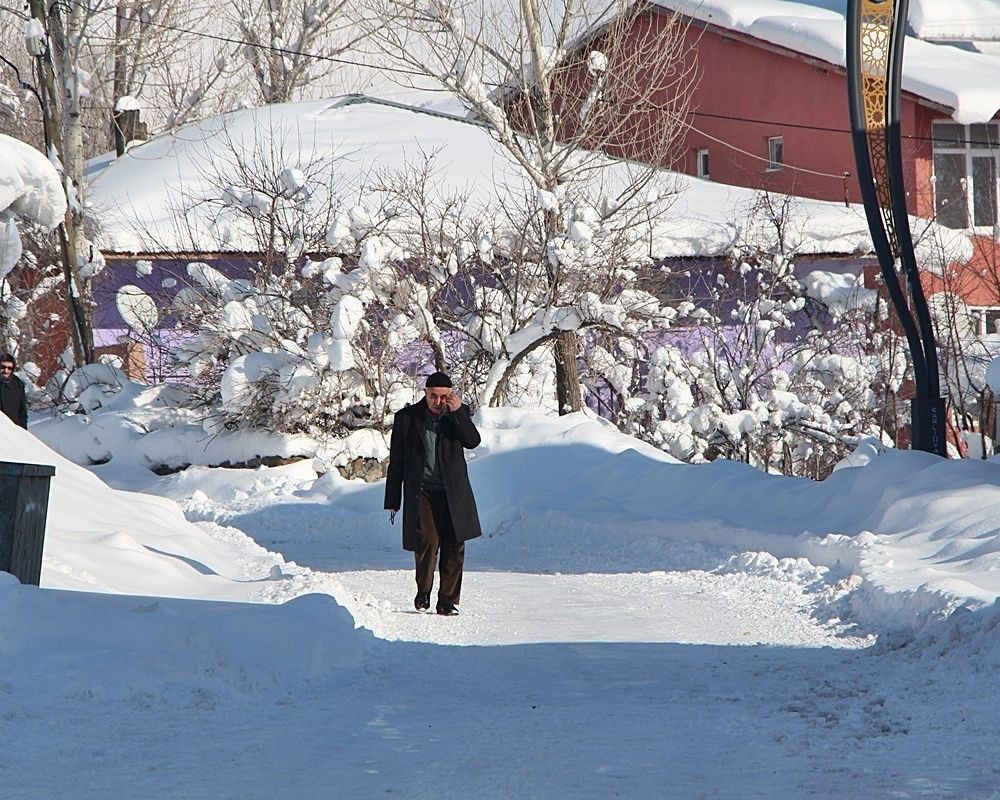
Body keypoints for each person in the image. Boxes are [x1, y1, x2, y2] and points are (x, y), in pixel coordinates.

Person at [384, 371, 483, 616]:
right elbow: (396, 462)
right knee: (426, 541)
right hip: (422, 491)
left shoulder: (457, 415)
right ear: (425, 393)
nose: (438, 402)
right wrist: (393, 499)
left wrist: (458, 411)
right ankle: (424, 590)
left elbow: (472, 441)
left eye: (444, 397)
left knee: (454, 544)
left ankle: (447, 601)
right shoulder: (407, 418)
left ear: (450, 396)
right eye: (433, 396)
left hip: (453, 492)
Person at [0, 352, 27, 429]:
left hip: (12, 429)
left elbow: (22, 411)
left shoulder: (18, 385)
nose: (6, 370)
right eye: (3, 367)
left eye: (9, 368)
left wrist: (23, 431)